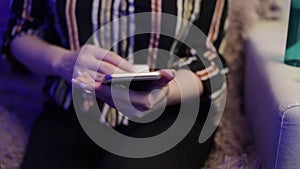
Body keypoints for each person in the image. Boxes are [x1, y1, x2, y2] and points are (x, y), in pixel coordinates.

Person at [2, 0, 228, 168]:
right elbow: (20, 32)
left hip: (171, 111)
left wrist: (166, 92)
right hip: (70, 106)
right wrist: (63, 61)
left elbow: (208, 58)